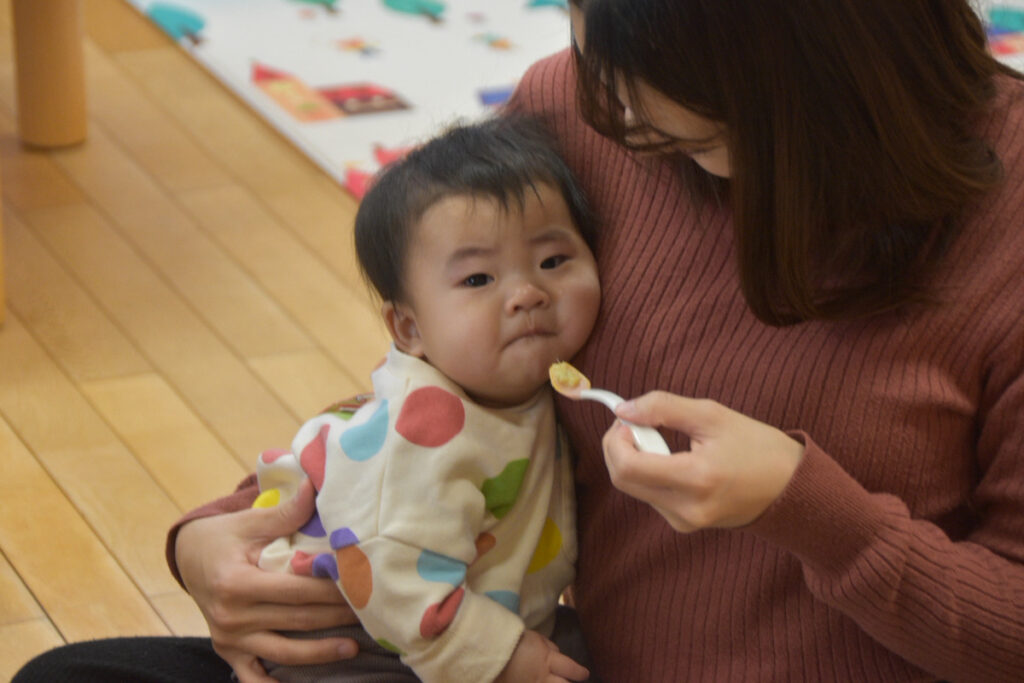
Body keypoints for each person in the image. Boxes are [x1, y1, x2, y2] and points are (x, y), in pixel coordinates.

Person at [15, 0, 1024, 680]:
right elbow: (435, 375)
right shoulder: (586, 103)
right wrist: (222, 535)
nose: (617, 116)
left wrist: (810, 509)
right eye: (592, 42)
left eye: (693, 142)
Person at [248, 116, 599, 682]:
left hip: (455, 610)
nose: (528, 294)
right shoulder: (423, 432)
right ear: (409, 327)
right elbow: (387, 569)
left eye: (553, 262)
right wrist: (500, 658)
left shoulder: (534, 387)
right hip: (352, 633)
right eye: (479, 280)